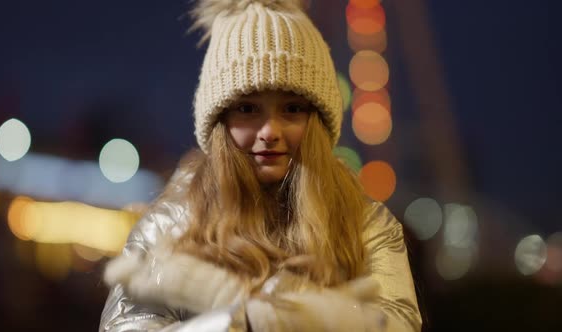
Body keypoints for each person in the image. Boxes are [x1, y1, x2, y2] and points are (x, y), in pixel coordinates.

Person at [100, 0, 422, 331]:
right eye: (248, 109)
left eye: (293, 109)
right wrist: (233, 322)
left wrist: (307, 320)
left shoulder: (366, 225)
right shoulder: (170, 225)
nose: (270, 132)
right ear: (219, 122)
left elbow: (398, 323)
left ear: (319, 121)